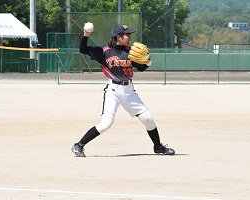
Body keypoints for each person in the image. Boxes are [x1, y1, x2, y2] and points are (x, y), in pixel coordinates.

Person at [71, 24, 175, 157]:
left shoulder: (131, 52)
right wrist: (86, 35)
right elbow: (83, 49)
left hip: (129, 91)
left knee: (148, 119)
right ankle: (78, 145)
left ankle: (158, 147)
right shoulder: (104, 52)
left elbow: (141, 68)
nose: (129, 36)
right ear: (118, 37)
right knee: (106, 124)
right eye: (127, 34)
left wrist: (147, 62)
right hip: (113, 91)